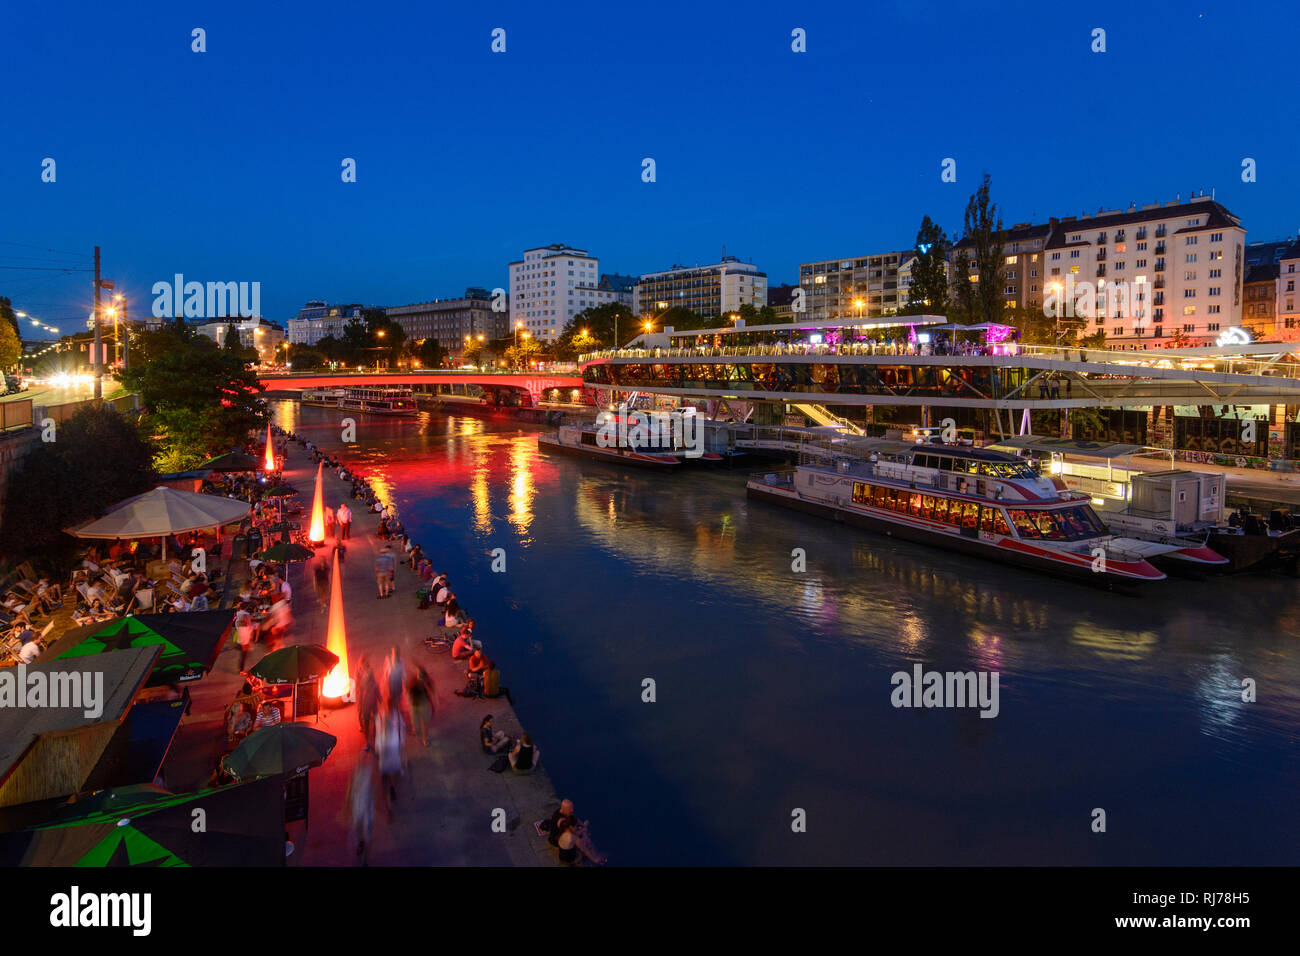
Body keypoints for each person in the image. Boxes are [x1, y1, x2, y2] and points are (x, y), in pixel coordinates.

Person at [375, 703, 405, 814]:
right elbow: (401, 733)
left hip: (384, 760)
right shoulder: (396, 717)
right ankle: (392, 788)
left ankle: (388, 805)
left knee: (384, 781)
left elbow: (378, 742)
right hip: (393, 757)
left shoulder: (380, 718)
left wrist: (378, 751)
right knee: (392, 773)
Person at [346, 754, 377, 864]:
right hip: (361, 806)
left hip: (363, 806)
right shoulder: (357, 773)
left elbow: (350, 790)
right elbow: (349, 790)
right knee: (361, 829)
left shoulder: (366, 772)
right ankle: (361, 844)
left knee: (366, 834)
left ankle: (365, 860)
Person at [356, 657, 380, 752]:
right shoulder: (363, 684)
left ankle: (373, 738)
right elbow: (361, 695)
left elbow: (378, 693)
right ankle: (368, 742)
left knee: (374, 721)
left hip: (372, 704)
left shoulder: (373, 684)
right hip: (366, 705)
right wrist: (360, 707)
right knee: (367, 723)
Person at [408, 666, 435, 747]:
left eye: (421, 675)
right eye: (418, 674)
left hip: (424, 705)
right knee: (415, 722)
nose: (419, 676)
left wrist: (435, 702)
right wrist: (409, 702)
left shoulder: (427, 683)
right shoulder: (413, 682)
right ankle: (416, 731)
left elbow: (433, 691)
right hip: (414, 706)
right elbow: (409, 692)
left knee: (425, 724)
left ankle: (425, 739)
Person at [234, 603, 255, 671]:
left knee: (244, 652)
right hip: (245, 632)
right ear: (246, 607)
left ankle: (241, 667)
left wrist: (238, 629)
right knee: (244, 652)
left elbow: (236, 623)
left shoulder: (237, 613)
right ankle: (241, 669)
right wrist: (251, 632)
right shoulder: (246, 614)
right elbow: (249, 624)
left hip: (240, 632)